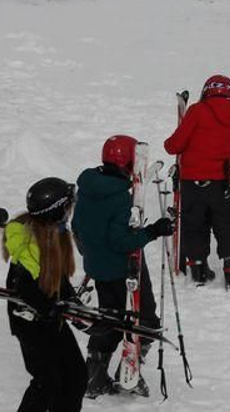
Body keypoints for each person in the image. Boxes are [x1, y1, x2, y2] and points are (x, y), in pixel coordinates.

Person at [73, 135, 173, 397]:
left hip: (99, 267)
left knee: (110, 318)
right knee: (146, 320)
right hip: (124, 269)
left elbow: (78, 228)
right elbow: (121, 242)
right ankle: (129, 372)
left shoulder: (87, 188)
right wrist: (153, 231)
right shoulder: (119, 198)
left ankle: (93, 375)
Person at [3, 176, 84, 412]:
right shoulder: (30, 244)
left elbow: (56, 279)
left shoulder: (53, 232)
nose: (70, 211)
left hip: (49, 318)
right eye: (68, 207)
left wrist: (73, 304)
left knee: (75, 377)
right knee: (47, 382)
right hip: (29, 321)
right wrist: (48, 307)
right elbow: (24, 287)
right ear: (57, 211)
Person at [163, 74, 230, 290]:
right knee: (227, 224)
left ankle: (198, 270)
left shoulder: (197, 111)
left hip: (192, 181)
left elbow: (174, 145)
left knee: (194, 224)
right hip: (222, 182)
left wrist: (171, 143)